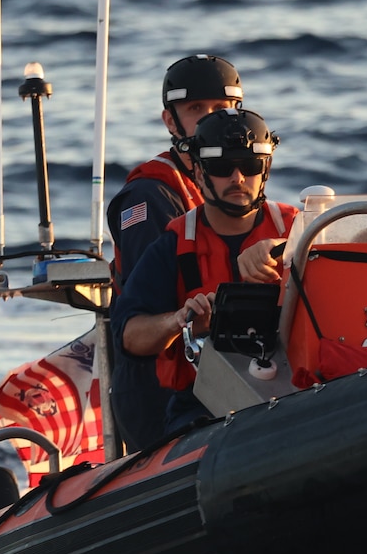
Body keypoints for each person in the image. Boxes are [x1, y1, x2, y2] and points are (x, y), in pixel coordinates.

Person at [110, 107, 298, 438]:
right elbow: (130, 335)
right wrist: (180, 320)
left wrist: (284, 248)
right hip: (203, 405)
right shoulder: (174, 244)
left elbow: (362, 246)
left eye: (250, 166)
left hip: (296, 392)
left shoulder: (297, 229)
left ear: (265, 169)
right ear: (198, 173)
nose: (238, 178)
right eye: (222, 167)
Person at [106, 55, 245, 451]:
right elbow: (143, 307)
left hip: (226, 373)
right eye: (195, 109)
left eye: (220, 109)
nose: (209, 119)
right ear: (171, 121)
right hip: (165, 392)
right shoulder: (148, 198)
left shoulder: (238, 185)